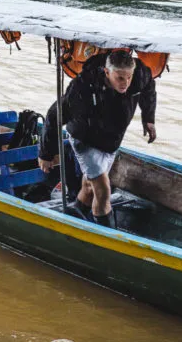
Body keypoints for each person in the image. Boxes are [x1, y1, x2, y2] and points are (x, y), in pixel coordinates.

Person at [38, 49, 156, 228]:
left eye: (128, 77)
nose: (125, 83)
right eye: (120, 78)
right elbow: (55, 115)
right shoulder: (83, 86)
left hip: (111, 141)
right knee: (103, 190)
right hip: (84, 139)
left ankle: (74, 219)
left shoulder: (139, 74)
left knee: (89, 187)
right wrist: (46, 153)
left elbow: (149, 88)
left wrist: (149, 119)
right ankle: (109, 238)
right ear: (107, 72)